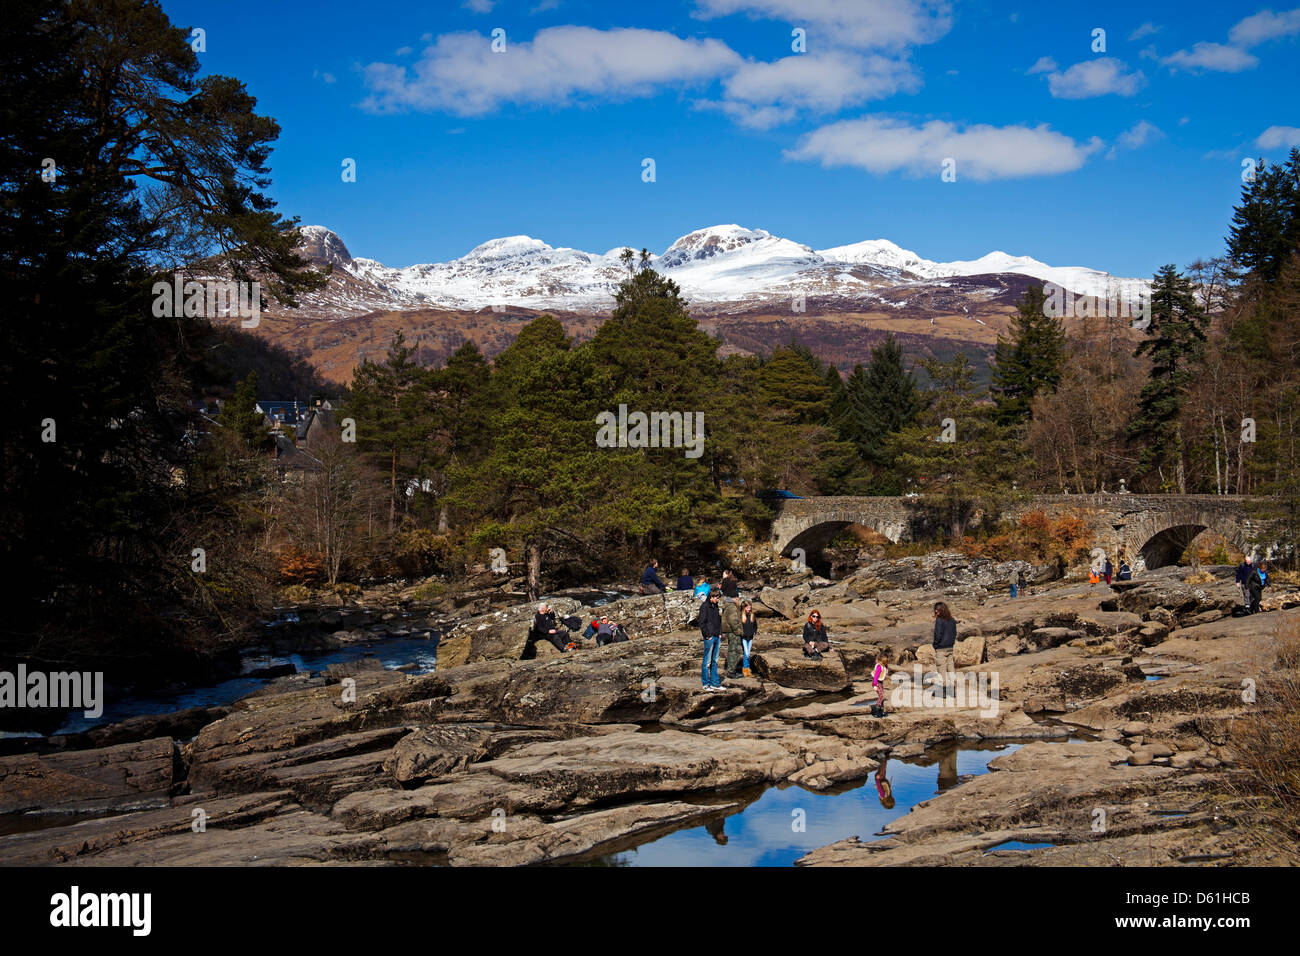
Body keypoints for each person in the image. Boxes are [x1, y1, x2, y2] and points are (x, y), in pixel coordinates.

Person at [698, 587, 724, 690]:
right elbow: (701, 622)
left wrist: (720, 633)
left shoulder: (715, 606)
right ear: (711, 596)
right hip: (709, 637)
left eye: (718, 598)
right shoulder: (705, 606)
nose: (718, 600)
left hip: (717, 636)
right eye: (717, 598)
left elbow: (718, 620)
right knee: (707, 662)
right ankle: (705, 684)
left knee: (715, 661)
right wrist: (707, 635)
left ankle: (715, 683)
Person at [932, 602, 957, 697]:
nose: (935, 612)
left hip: (941, 648)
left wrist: (935, 645)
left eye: (936, 611)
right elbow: (954, 633)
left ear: (940, 611)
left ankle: (945, 691)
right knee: (951, 669)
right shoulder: (952, 620)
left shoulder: (939, 620)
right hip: (950, 647)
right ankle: (952, 689)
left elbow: (938, 634)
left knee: (942, 670)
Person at [722, 595, 744, 678]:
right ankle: (731, 671)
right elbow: (733, 621)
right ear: (734, 598)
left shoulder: (728, 606)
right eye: (737, 597)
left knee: (732, 650)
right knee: (734, 651)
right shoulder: (732, 607)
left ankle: (731, 670)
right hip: (733, 632)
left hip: (730, 631)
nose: (738, 599)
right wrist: (739, 631)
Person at [740, 600, 758, 678]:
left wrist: (754, 632)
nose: (748, 609)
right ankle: (745, 669)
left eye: (749, 607)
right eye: (747, 607)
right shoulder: (741, 616)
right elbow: (739, 627)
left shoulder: (752, 615)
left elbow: (755, 626)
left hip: (750, 637)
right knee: (746, 654)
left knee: (747, 654)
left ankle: (747, 669)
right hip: (743, 638)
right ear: (744, 608)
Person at [871, 648, 890, 718]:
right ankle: (876, 711)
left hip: (880, 682)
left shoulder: (884, 666)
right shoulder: (879, 667)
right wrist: (874, 685)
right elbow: (876, 676)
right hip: (877, 683)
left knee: (882, 696)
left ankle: (881, 711)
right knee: (881, 696)